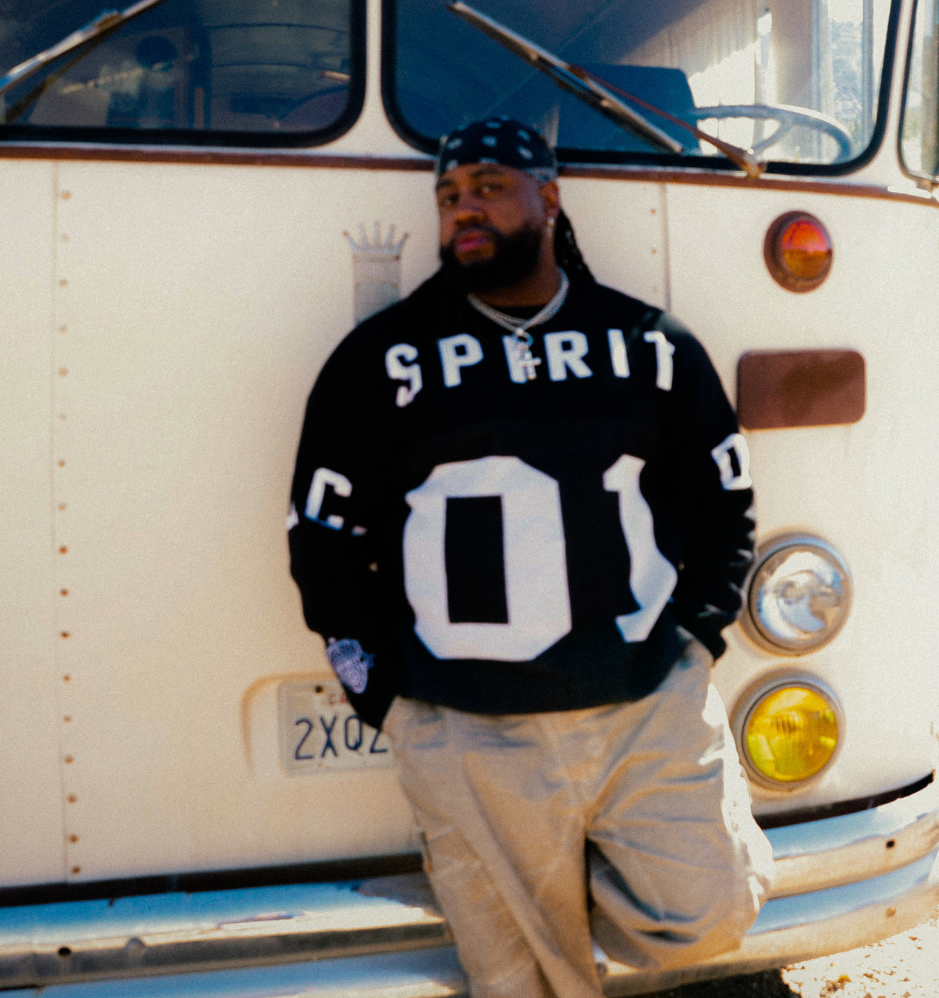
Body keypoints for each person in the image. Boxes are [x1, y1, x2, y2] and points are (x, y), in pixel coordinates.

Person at [286, 117, 773, 998]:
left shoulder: (651, 343)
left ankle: (563, 885)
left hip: (642, 712)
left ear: (548, 199)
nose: (463, 208)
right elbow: (322, 542)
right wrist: (387, 698)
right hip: (470, 732)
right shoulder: (379, 360)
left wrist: (697, 641)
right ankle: (537, 898)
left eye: (488, 187)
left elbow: (722, 500)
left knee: (713, 911)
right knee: (524, 987)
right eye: (448, 195)